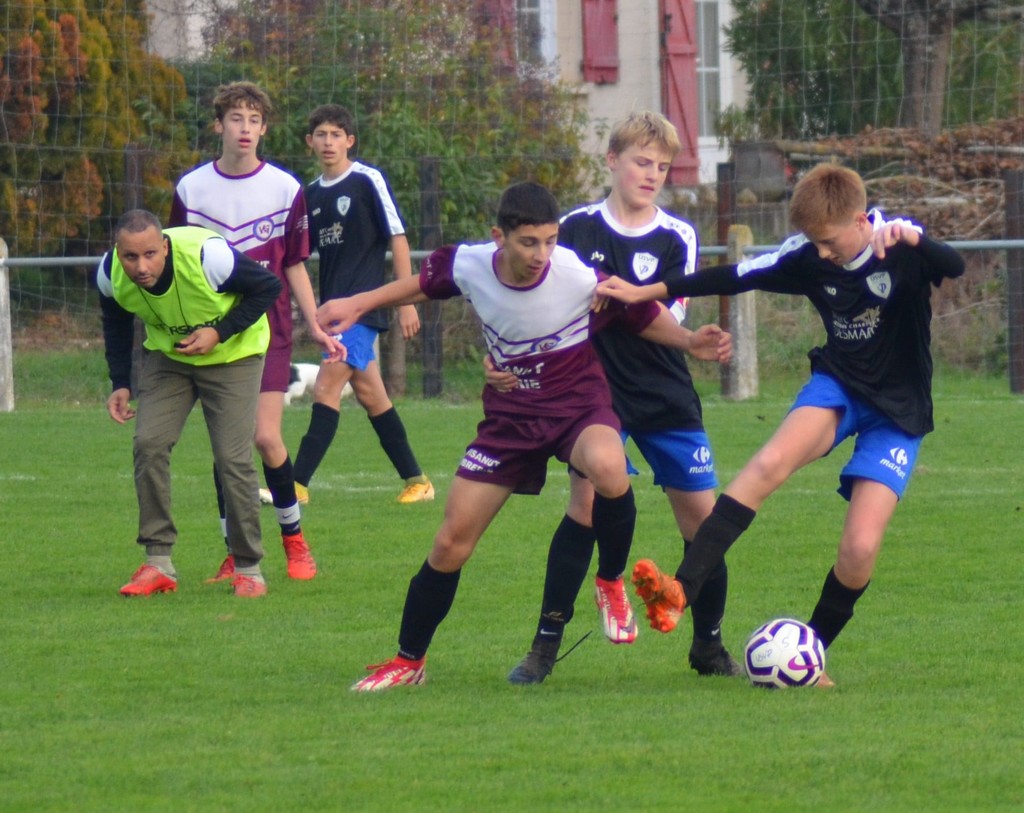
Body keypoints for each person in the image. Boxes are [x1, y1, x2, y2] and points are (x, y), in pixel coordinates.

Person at [317, 182, 729, 691]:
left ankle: (609, 581)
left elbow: (640, 313)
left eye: (550, 241)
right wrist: (358, 304)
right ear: (500, 237)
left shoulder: (578, 274)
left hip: (577, 406)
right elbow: (421, 284)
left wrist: (689, 341)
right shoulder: (470, 264)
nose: (541, 255)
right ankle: (409, 661)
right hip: (511, 418)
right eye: (529, 242)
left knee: (608, 466)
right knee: (450, 543)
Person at [596, 163, 966, 685]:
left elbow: (955, 264)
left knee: (859, 549)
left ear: (861, 220)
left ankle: (808, 655)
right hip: (839, 385)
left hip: (899, 412)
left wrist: (917, 237)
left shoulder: (899, 249)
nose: (821, 252)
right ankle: (681, 590)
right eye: (814, 242)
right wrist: (644, 293)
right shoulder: (807, 255)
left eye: (828, 240)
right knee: (768, 463)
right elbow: (733, 276)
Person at [491, 112, 741, 685]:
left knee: (703, 524)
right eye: (640, 162)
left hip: (665, 392)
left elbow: (664, 317)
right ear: (612, 161)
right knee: (583, 508)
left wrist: (635, 301)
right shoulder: (575, 228)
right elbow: (535, 298)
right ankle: (543, 648)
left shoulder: (677, 236)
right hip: (592, 392)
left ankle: (708, 645)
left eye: (662, 166)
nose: (651, 174)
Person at [169, 81, 336, 582]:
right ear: (219, 125)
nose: (245, 128)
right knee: (230, 445)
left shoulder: (285, 189)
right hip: (214, 331)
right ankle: (234, 551)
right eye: (236, 118)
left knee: (264, 437)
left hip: (268, 328)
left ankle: (294, 539)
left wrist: (315, 323)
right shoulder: (191, 189)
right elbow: (177, 259)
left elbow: (294, 264)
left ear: (264, 129)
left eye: (254, 120)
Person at [98, 210, 283, 598]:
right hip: (171, 359)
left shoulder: (208, 257)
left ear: (165, 247)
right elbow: (114, 323)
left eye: (150, 254)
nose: (141, 266)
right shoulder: (109, 273)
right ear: (118, 252)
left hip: (234, 355)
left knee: (232, 458)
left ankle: (248, 568)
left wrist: (219, 331)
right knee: (148, 443)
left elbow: (268, 287)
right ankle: (158, 562)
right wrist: (120, 383)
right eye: (130, 257)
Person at [293, 104, 433, 505]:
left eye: (336, 135)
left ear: (349, 141)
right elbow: (298, 255)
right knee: (372, 396)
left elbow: (397, 237)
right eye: (321, 135)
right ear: (310, 142)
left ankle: (295, 486)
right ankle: (418, 481)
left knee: (325, 387)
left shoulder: (367, 180)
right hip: (333, 312)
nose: (328, 142)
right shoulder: (310, 194)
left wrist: (406, 301)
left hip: (362, 309)